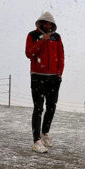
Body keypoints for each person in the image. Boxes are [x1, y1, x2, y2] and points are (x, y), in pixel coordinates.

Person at [25, 11, 64, 154]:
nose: (47, 25)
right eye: (45, 23)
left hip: (54, 78)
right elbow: (29, 53)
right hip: (38, 77)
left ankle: (45, 133)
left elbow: (61, 55)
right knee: (38, 108)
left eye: (50, 23)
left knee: (51, 106)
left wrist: (59, 73)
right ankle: (36, 141)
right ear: (40, 23)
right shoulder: (32, 35)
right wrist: (42, 41)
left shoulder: (57, 37)